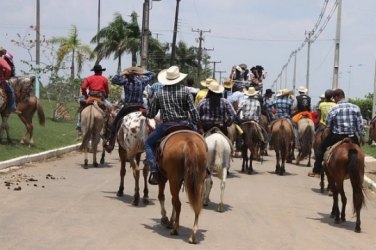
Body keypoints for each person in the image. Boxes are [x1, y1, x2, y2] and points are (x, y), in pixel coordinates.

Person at [145, 66, 199, 185]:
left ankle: (154, 171)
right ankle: (205, 168)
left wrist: (146, 113)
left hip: (167, 126)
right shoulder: (186, 91)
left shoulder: (160, 93)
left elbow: (151, 113)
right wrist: (196, 122)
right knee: (202, 141)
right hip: (186, 124)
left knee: (148, 143)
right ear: (179, 78)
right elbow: (194, 112)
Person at [308, 88, 366, 177]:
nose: (334, 100)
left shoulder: (334, 108)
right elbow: (360, 125)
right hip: (352, 136)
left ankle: (316, 170)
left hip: (337, 136)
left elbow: (328, 124)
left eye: (334, 98)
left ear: (337, 97)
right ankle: (360, 172)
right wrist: (362, 137)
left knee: (320, 149)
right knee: (360, 154)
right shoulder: (355, 107)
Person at [104, 66, 155, 153]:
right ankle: (153, 143)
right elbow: (152, 74)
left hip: (128, 107)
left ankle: (111, 144)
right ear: (137, 74)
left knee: (115, 123)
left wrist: (123, 73)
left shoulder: (125, 81)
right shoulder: (142, 81)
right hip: (139, 107)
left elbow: (114, 79)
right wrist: (141, 72)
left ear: (128, 74)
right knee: (152, 122)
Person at [77, 64, 110, 130]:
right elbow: (107, 91)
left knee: (81, 108)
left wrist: (86, 96)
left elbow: (83, 87)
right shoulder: (104, 79)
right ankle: (106, 126)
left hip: (90, 98)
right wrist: (106, 96)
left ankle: (79, 124)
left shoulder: (89, 78)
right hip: (100, 99)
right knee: (110, 108)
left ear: (94, 71)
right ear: (101, 71)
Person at [0, 47, 20, 114]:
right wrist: (5, 78)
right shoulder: (1, 60)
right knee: (11, 91)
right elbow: (8, 69)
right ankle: (12, 107)